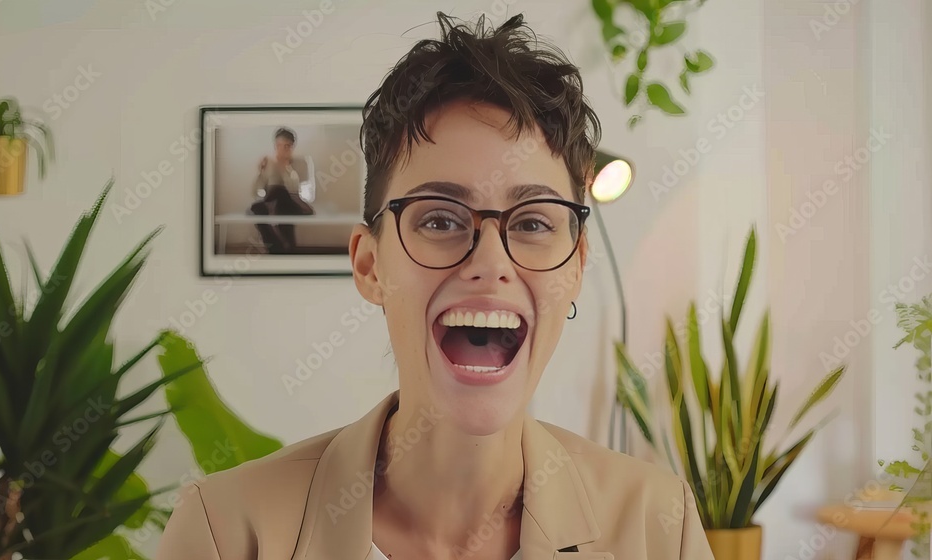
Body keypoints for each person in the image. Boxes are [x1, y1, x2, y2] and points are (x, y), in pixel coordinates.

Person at [158, 12, 714, 560]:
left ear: (575, 266)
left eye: (532, 223)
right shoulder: (224, 531)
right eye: (441, 220)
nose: (492, 262)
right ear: (370, 266)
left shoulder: (660, 525)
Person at [249, 127, 315, 253]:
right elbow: (256, 193)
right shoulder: (269, 164)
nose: (281, 150)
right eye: (278, 145)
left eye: (286, 146)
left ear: (292, 147)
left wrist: (288, 170)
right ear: (275, 146)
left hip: (295, 204)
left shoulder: (302, 163)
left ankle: (280, 249)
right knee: (258, 208)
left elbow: (308, 195)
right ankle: (280, 250)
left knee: (279, 194)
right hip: (272, 204)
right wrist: (260, 173)